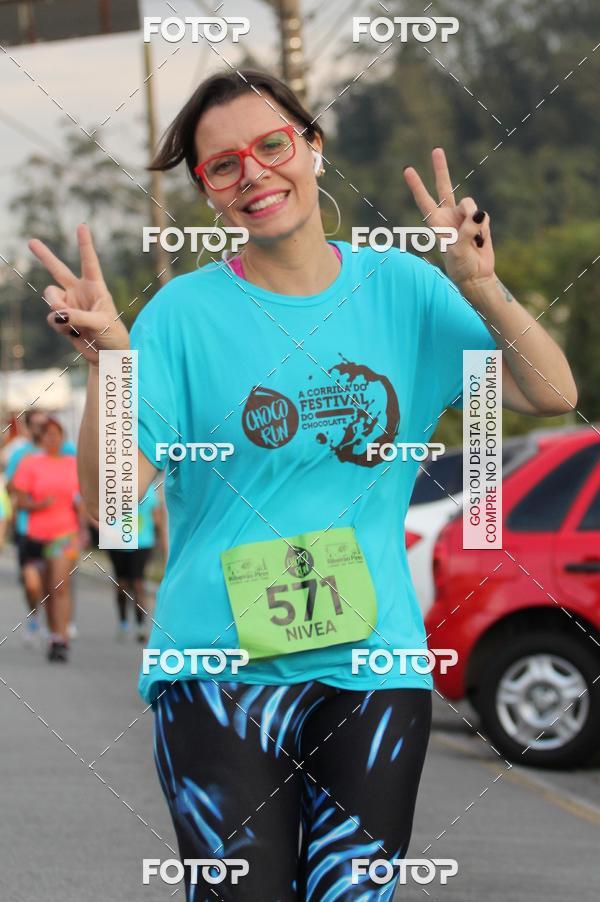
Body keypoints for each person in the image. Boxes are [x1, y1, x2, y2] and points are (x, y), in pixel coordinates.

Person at [29, 69, 577, 899]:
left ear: (312, 147)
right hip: (219, 670)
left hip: (376, 666)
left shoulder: (405, 290)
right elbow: (111, 503)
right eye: (223, 166)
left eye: (271, 145)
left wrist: (479, 285)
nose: (253, 174)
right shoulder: (181, 315)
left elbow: (551, 393)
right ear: (208, 191)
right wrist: (111, 360)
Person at [4, 409, 77, 645]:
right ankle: (37, 617)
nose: (50, 437)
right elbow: (13, 492)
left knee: (60, 585)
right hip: (32, 533)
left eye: (55, 433)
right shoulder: (24, 457)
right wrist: (35, 505)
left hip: (64, 534)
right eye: (44, 431)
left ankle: (60, 637)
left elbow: (83, 496)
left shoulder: (72, 459)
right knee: (36, 586)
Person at [108, 481, 166, 643]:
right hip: (116, 542)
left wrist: (162, 540)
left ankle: (141, 624)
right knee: (121, 584)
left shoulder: (148, 486)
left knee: (138, 583)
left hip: (142, 542)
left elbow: (156, 517)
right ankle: (123, 621)